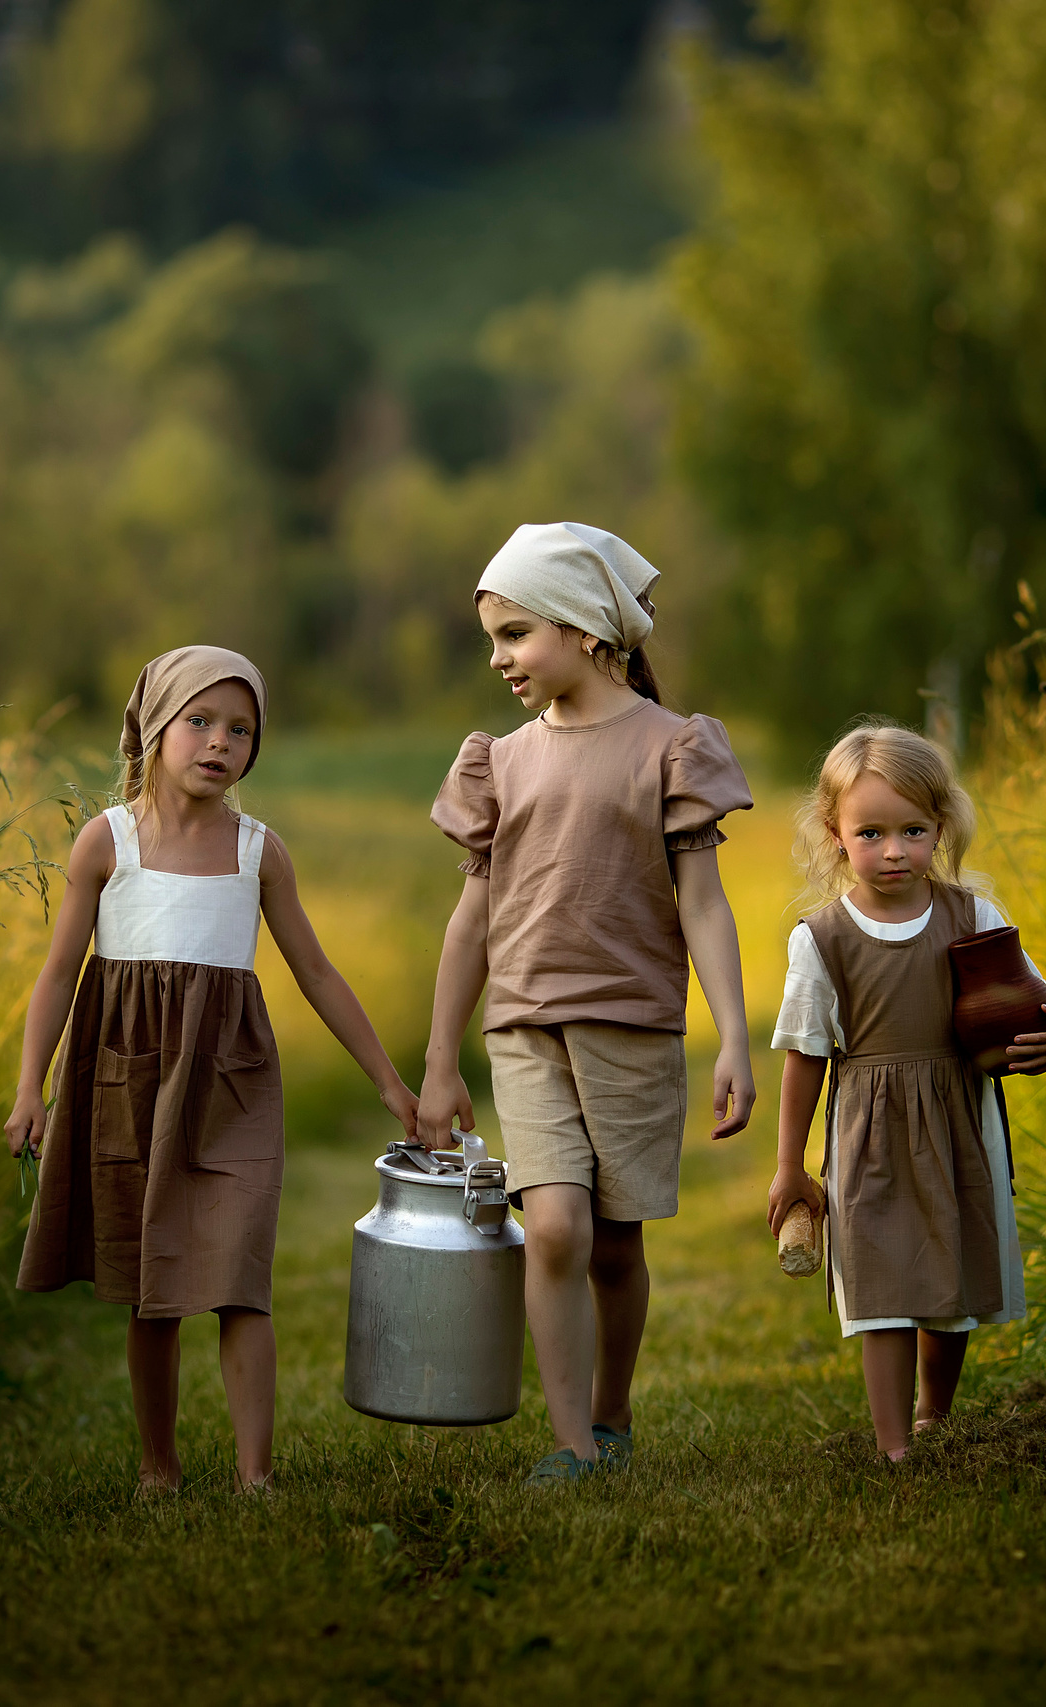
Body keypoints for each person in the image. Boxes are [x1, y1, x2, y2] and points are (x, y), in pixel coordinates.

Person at [5, 646, 418, 1492]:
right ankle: (159, 1466)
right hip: (129, 1080)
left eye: (240, 728)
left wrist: (389, 1080)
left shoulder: (258, 852)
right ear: (156, 728)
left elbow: (317, 972)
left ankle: (254, 1473)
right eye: (199, 721)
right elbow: (56, 973)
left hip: (231, 1086)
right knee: (151, 1285)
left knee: (239, 1278)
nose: (218, 742)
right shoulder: (105, 842)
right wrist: (29, 1088)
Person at [418, 522, 758, 1485]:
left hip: (636, 1026)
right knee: (557, 1224)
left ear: (584, 629)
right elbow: (468, 922)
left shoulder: (671, 748)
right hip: (524, 1025)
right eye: (495, 638)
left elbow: (704, 905)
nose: (500, 659)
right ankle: (570, 1444)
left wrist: (733, 1036)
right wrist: (442, 1061)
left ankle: (612, 1413)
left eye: (516, 634)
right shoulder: (501, 760)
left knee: (615, 1245)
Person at [766, 723, 1046, 1461]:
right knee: (881, 1289)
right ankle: (894, 1445)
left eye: (913, 829)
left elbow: (1041, 1007)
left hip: (957, 1121)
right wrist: (788, 1163)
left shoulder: (973, 917)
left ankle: (936, 1409)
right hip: (867, 1134)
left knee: (949, 1277)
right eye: (871, 831)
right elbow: (806, 1056)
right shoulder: (822, 939)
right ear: (836, 834)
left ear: (941, 826)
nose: (895, 849)